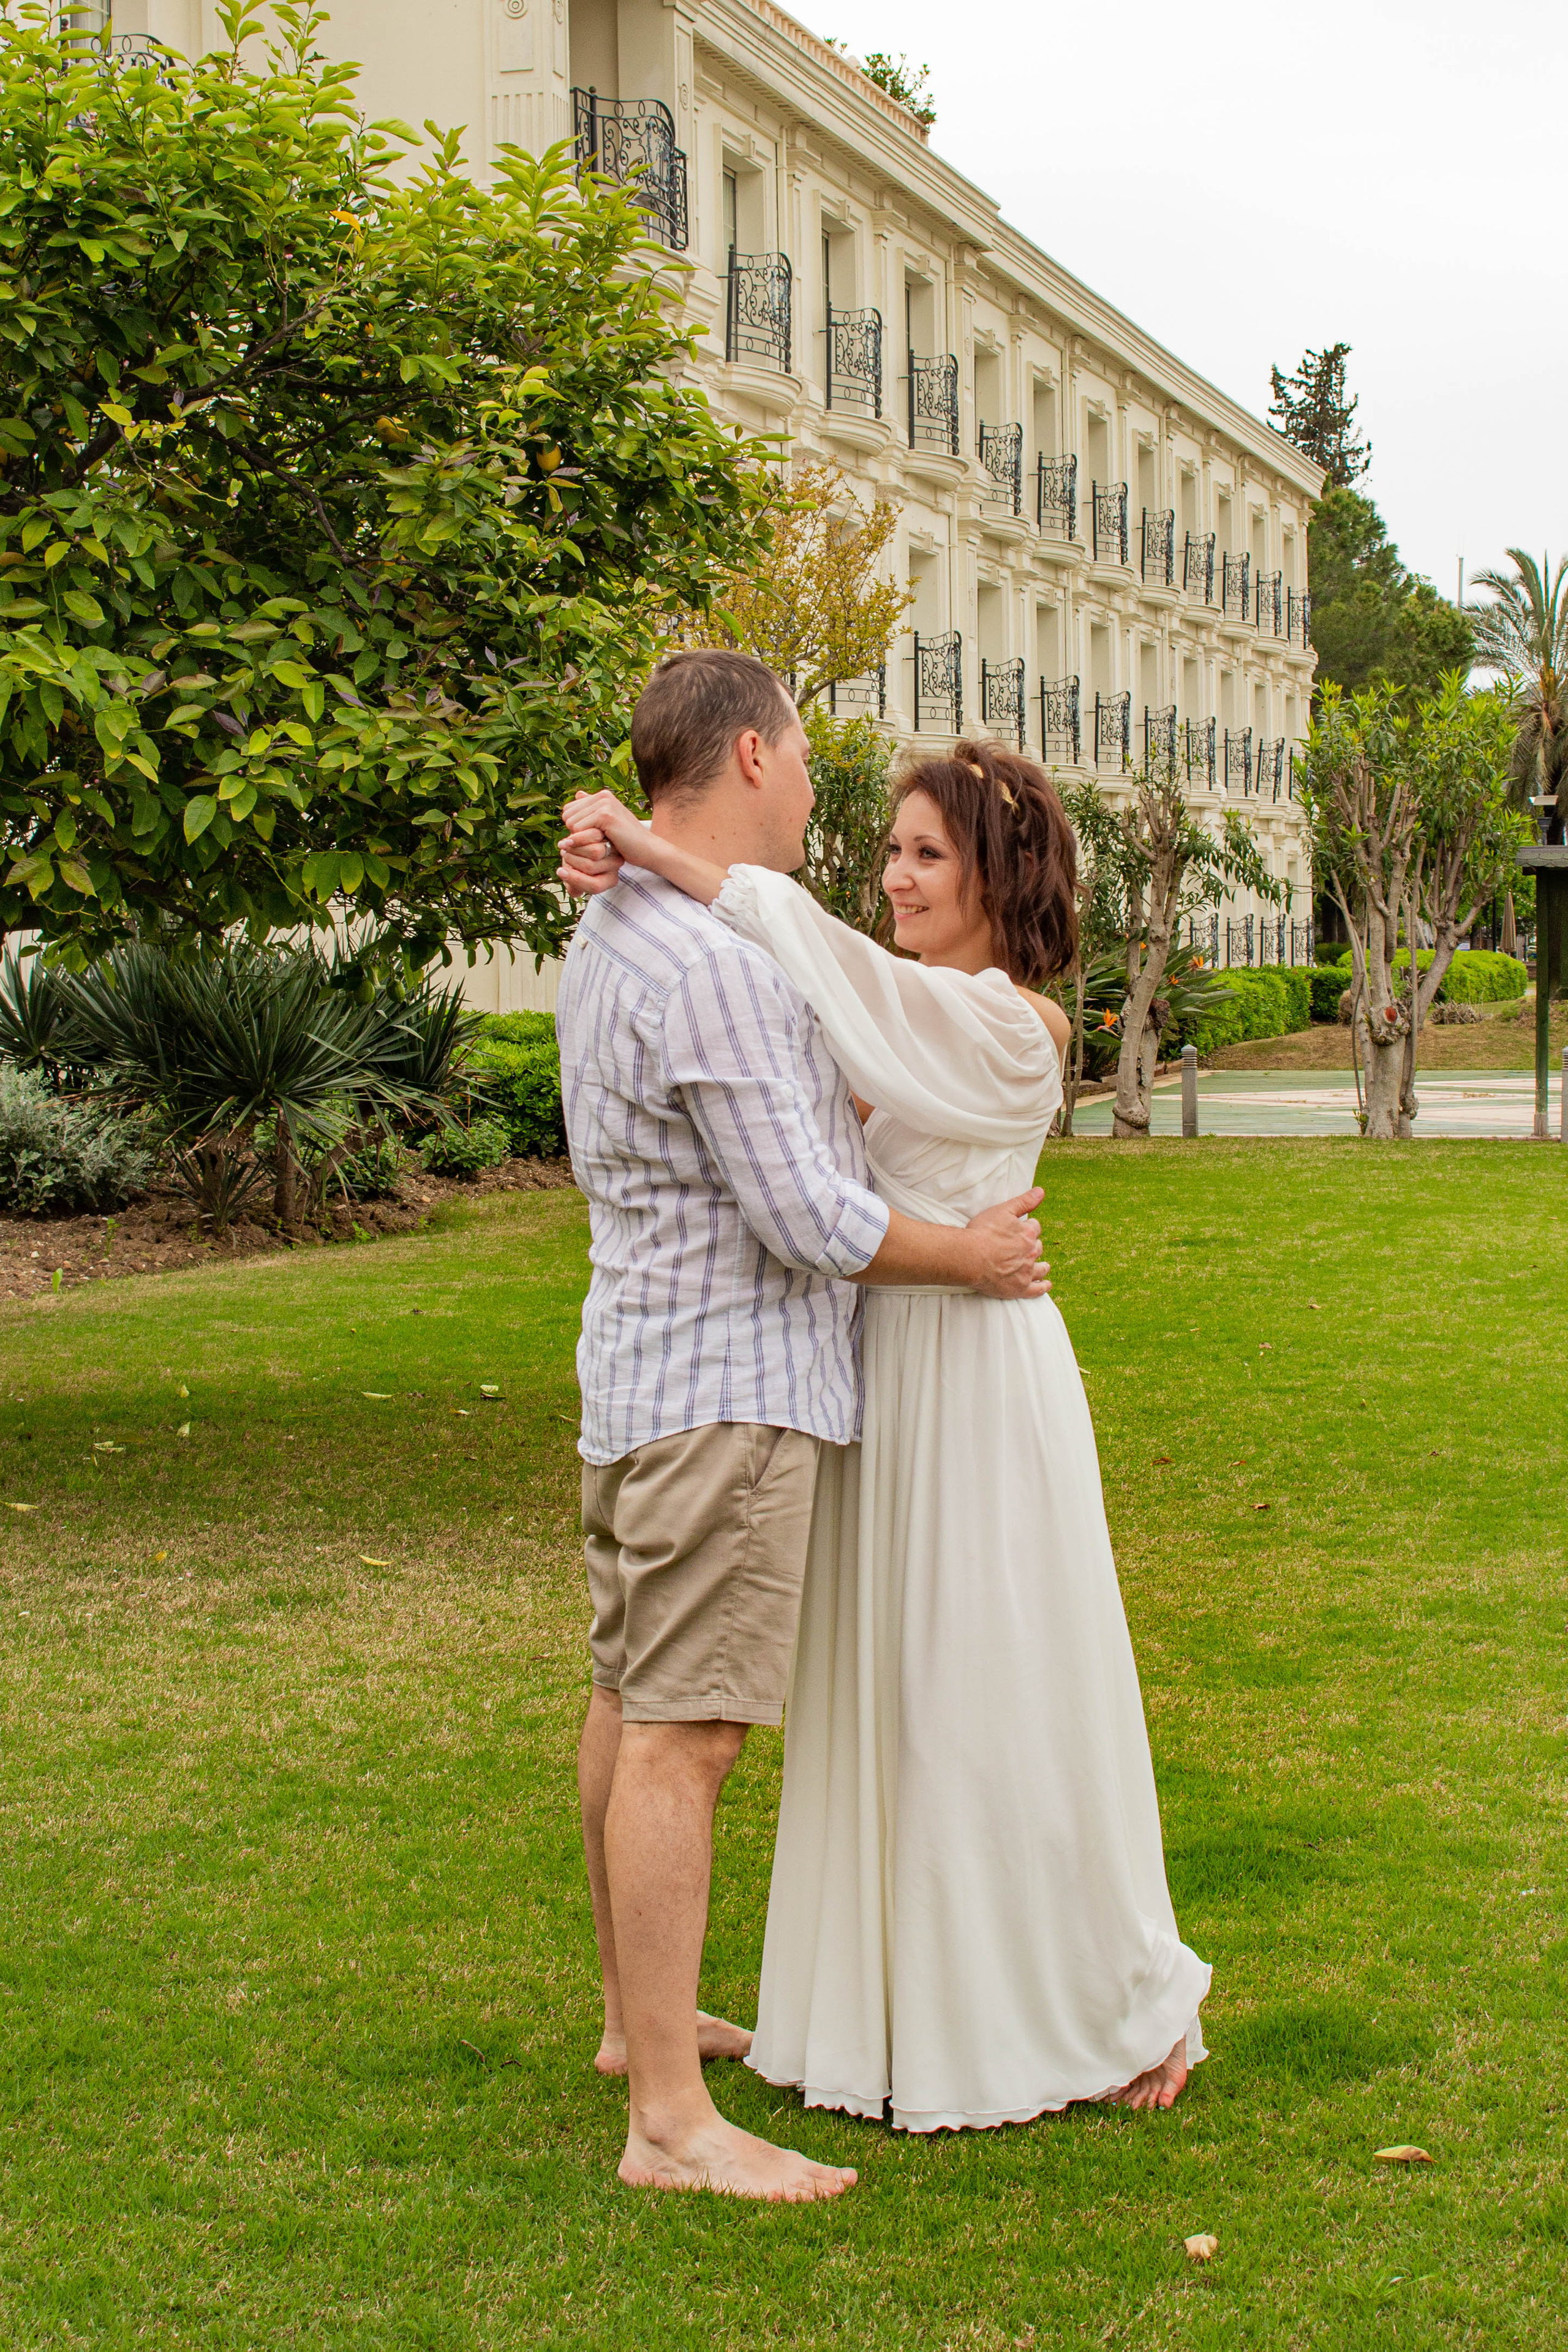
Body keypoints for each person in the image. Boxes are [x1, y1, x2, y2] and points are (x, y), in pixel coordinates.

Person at [560, 727, 1210, 2138]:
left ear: (998, 875)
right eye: (890, 852)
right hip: (875, 1371)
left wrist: (654, 846)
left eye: (927, 855)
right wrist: (625, 876)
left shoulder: (1009, 1027)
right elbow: (792, 1038)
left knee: (992, 1690)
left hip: (970, 1378)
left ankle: (1111, 1995)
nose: (895, 878)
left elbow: (813, 958)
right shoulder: (889, 1010)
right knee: (886, 1700)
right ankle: (885, 2010)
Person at [555, 650, 1052, 2203]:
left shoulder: (614, 928)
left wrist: (615, 840)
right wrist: (967, 1254)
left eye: (920, 851)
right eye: (810, 761)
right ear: (756, 755)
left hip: (636, 1376)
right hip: (726, 1390)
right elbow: (805, 1216)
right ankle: (669, 2124)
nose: (833, 810)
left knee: (630, 1697)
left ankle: (636, 2031)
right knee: (685, 1735)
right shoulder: (710, 958)